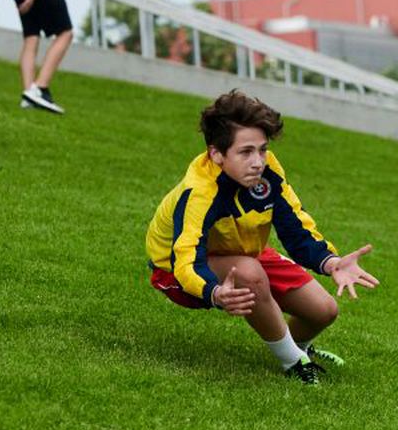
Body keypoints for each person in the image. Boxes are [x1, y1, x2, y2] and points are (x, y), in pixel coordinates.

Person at [145, 91, 379, 384]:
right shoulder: (200, 192)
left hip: (241, 252)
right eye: (245, 152)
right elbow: (187, 258)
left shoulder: (268, 171)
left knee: (324, 310)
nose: (258, 161)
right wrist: (215, 294)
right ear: (216, 154)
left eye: (262, 149)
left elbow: (294, 225)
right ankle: (293, 362)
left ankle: (298, 348)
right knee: (249, 273)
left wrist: (331, 262)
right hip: (178, 271)